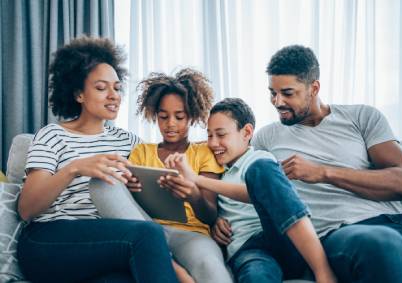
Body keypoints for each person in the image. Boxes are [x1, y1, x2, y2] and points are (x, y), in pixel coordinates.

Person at [247, 45, 402, 282]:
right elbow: (253, 188)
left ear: (314, 88)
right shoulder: (266, 138)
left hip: (400, 222)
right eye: (272, 93)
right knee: (382, 243)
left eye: (287, 93)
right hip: (338, 234)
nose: (277, 102)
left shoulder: (362, 117)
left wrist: (323, 172)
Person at [17, 36, 178, 283]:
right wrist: (74, 168)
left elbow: (151, 192)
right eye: (102, 88)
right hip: (48, 240)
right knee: (146, 235)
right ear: (79, 94)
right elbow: (27, 209)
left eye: (116, 87)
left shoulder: (129, 142)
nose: (113, 95)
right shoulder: (52, 135)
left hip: (107, 241)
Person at [161, 98, 337, 283]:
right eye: (209, 135)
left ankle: (323, 271)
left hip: (282, 237)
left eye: (221, 135)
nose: (213, 143)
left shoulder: (260, 160)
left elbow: (259, 194)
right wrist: (215, 221)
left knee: (260, 171)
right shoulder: (214, 168)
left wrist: (197, 180)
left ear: (246, 132)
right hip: (247, 248)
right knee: (256, 275)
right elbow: (207, 206)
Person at [90, 69, 233, 283]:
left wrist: (192, 194)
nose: (170, 124)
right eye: (163, 116)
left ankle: (170, 263)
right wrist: (130, 189)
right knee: (104, 184)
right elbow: (127, 208)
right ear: (154, 115)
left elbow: (210, 216)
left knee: (210, 266)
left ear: (192, 116)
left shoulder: (204, 153)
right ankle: (172, 267)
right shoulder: (141, 152)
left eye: (179, 116)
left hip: (192, 235)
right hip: (147, 232)